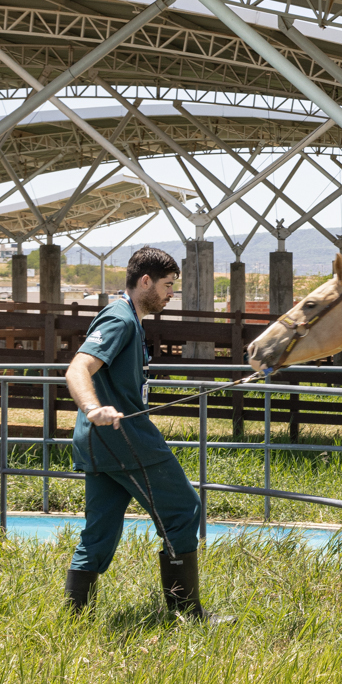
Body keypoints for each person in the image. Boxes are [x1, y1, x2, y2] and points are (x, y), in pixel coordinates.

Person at [62, 246, 230, 623]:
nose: (171, 293)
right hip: (123, 436)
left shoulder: (129, 319)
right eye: (168, 286)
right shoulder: (120, 319)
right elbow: (76, 370)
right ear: (145, 281)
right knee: (184, 509)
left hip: (99, 442)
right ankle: (186, 613)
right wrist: (94, 408)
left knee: (99, 529)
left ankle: (72, 619)